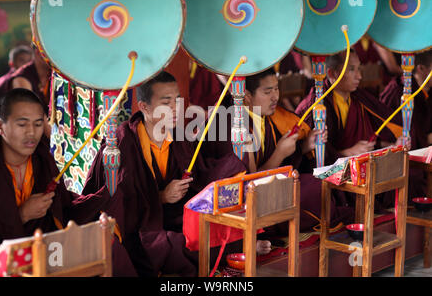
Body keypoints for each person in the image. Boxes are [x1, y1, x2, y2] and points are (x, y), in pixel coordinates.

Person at [83, 71, 270, 277]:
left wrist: (230, 168)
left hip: (174, 215)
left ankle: (235, 246)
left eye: (177, 100)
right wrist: (161, 196)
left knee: (212, 218)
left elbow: (199, 174)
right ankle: (234, 249)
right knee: (170, 246)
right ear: (144, 107)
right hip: (142, 227)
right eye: (167, 102)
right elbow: (117, 203)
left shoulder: (178, 135)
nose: (175, 108)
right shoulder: (122, 143)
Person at [0, 88, 136, 276]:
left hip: (46, 245)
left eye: (38, 124)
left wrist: (99, 217)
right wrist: (21, 215)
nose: (31, 133)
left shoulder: (41, 159)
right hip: (0, 256)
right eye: (22, 124)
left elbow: (63, 207)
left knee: (107, 242)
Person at [295, 49, 424, 208]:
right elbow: (308, 161)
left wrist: (392, 146)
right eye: (352, 70)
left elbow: (373, 139)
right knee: (329, 194)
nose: (359, 76)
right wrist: (347, 153)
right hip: (335, 173)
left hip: (361, 165)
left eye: (359, 69)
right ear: (332, 73)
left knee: (411, 175)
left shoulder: (359, 98)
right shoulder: (314, 107)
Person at [241, 67, 351, 238]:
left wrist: (304, 146)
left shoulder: (272, 118)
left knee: (319, 183)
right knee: (314, 190)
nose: (275, 97)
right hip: (252, 199)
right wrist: (279, 153)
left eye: (276, 89)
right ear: (247, 96)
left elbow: (287, 161)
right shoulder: (238, 126)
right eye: (267, 91)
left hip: (275, 186)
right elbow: (249, 182)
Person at [380, 50, 432, 149]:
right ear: (421, 68)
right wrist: (426, 139)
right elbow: (386, 133)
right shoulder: (398, 90)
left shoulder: (428, 90)